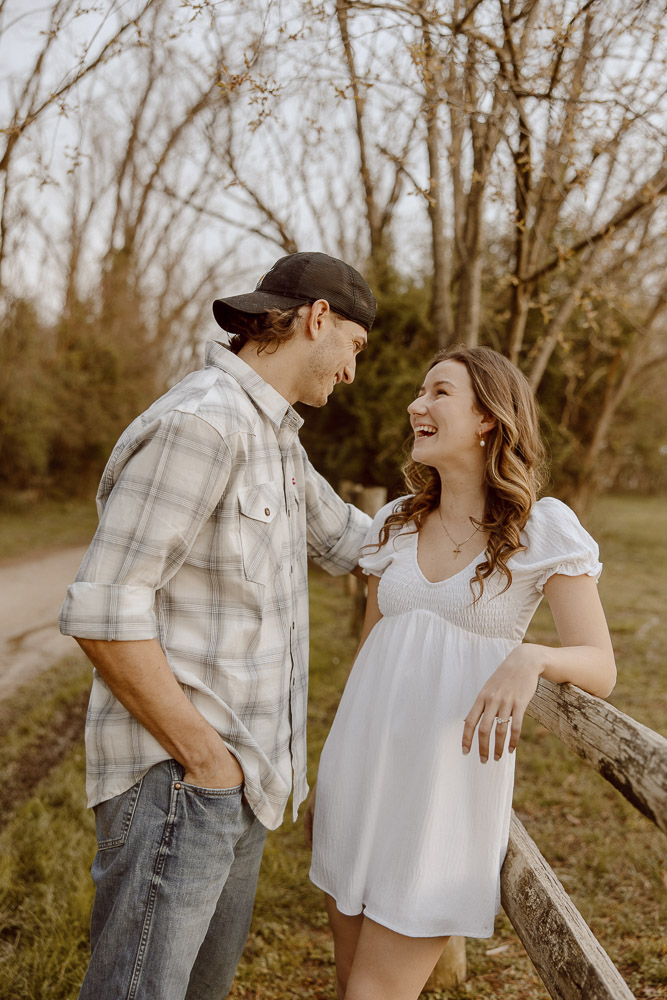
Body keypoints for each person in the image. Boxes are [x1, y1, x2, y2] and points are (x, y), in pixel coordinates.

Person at [58, 251, 377, 1000]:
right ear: (318, 319)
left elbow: (355, 543)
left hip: (241, 789)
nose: (352, 374)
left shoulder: (275, 441)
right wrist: (204, 759)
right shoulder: (203, 424)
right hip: (182, 782)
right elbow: (103, 609)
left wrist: (488, 516)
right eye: (354, 350)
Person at [305, 344, 617, 1000]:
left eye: (437, 392)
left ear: (485, 419)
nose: (416, 405)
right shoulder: (393, 522)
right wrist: (330, 770)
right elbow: (373, 652)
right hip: (359, 776)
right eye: (419, 393)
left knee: (373, 994)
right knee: (347, 981)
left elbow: (599, 664)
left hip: (441, 796)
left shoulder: (542, 529)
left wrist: (531, 657)